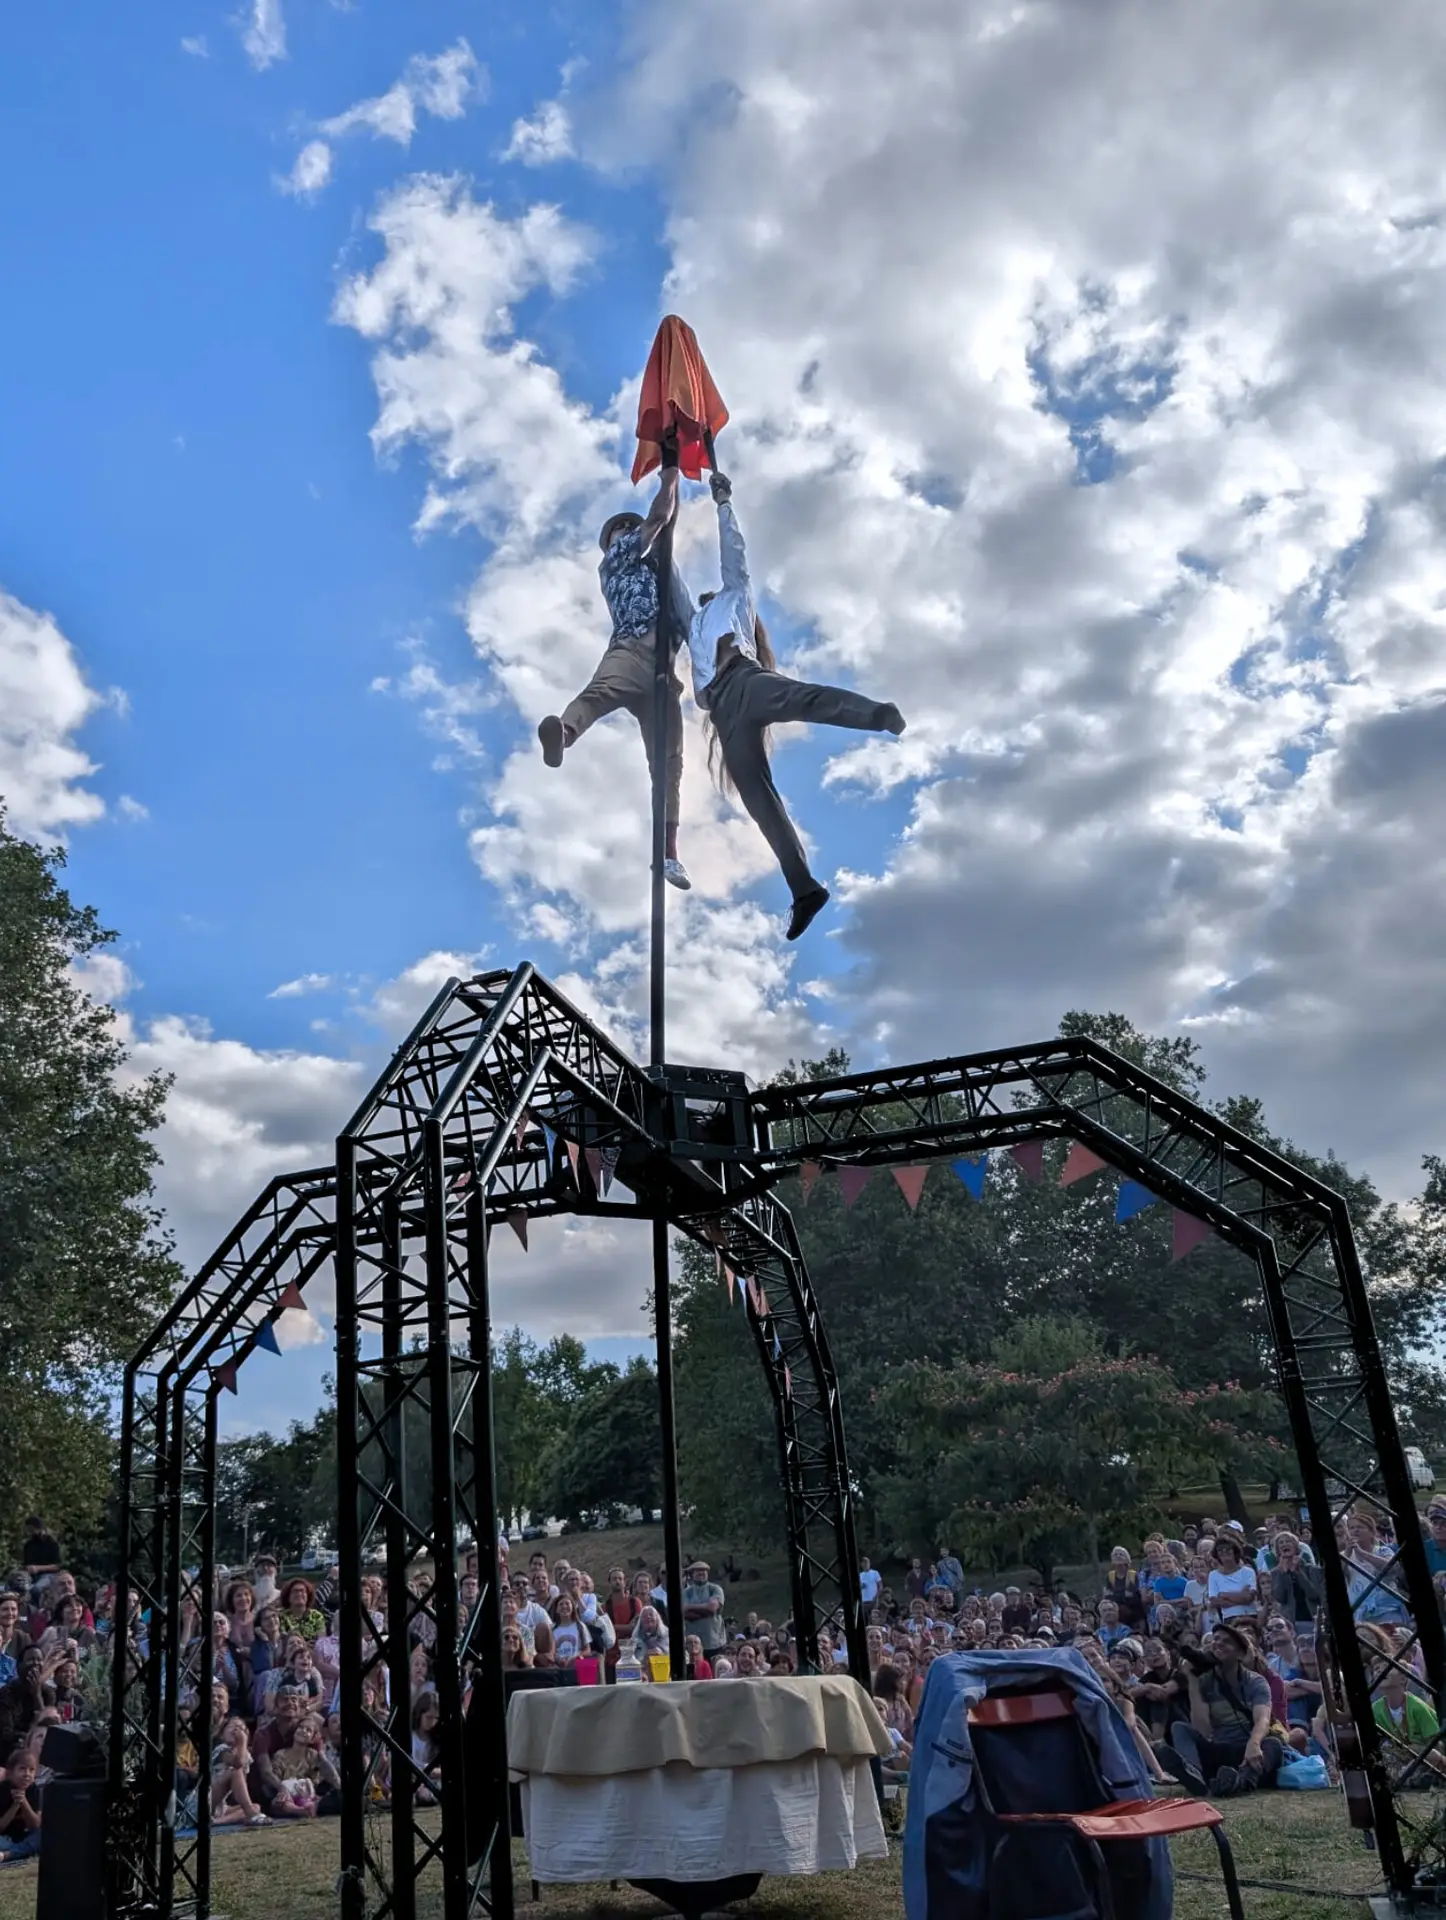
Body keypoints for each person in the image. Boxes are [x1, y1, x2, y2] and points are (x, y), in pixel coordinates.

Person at [687, 471, 905, 940]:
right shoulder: (694, 627)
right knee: (759, 801)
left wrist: (723, 503)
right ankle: (804, 888)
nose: (705, 599)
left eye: (710, 597)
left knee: (805, 699)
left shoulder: (734, 598)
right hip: (723, 713)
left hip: (746, 680)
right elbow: (675, 601)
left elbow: (733, 555)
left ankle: (876, 714)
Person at [537, 437, 695, 890]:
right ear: (611, 544)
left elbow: (665, 532)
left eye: (630, 525)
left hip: (664, 673)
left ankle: (668, 854)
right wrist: (669, 475)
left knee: (668, 764)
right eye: (619, 530)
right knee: (600, 692)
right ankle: (564, 734)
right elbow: (659, 518)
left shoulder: (659, 571)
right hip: (631, 651)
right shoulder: (618, 561)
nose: (627, 530)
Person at [1159, 1624, 1284, 1797]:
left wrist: (1254, 1744)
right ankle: (1195, 1776)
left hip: (1248, 1750)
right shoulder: (1205, 1682)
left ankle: (1240, 1782)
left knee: (1273, 1744)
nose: (1219, 1643)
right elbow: (1203, 1729)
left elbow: (1262, 1719)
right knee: (1179, 1728)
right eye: (1216, 1639)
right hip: (1220, 1748)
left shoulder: (1255, 1682)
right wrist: (1192, 1680)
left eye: (1227, 1641)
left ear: (1240, 1654)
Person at [0, 1745, 42, 1862]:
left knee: (43, 1835)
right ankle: (18, 1852)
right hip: (4, 1838)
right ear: (10, 1773)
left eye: (31, 1770)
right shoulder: (3, 1790)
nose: (27, 1774)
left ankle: (6, 1855)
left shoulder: (34, 1790)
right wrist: (15, 1806)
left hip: (23, 1837)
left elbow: (35, 1826)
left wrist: (23, 1802)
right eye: (22, 1769)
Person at [681, 1560, 726, 1659]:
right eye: (698, 1571)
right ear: (692, 1575)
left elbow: (712, 1608)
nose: (701, 1573)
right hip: (693, 1644)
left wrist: (690, 1607)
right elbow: (684, 1613)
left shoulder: (715, 1589)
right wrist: (706, 1612)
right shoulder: (686, 1592)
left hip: (714, 1641)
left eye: (704, 1571)